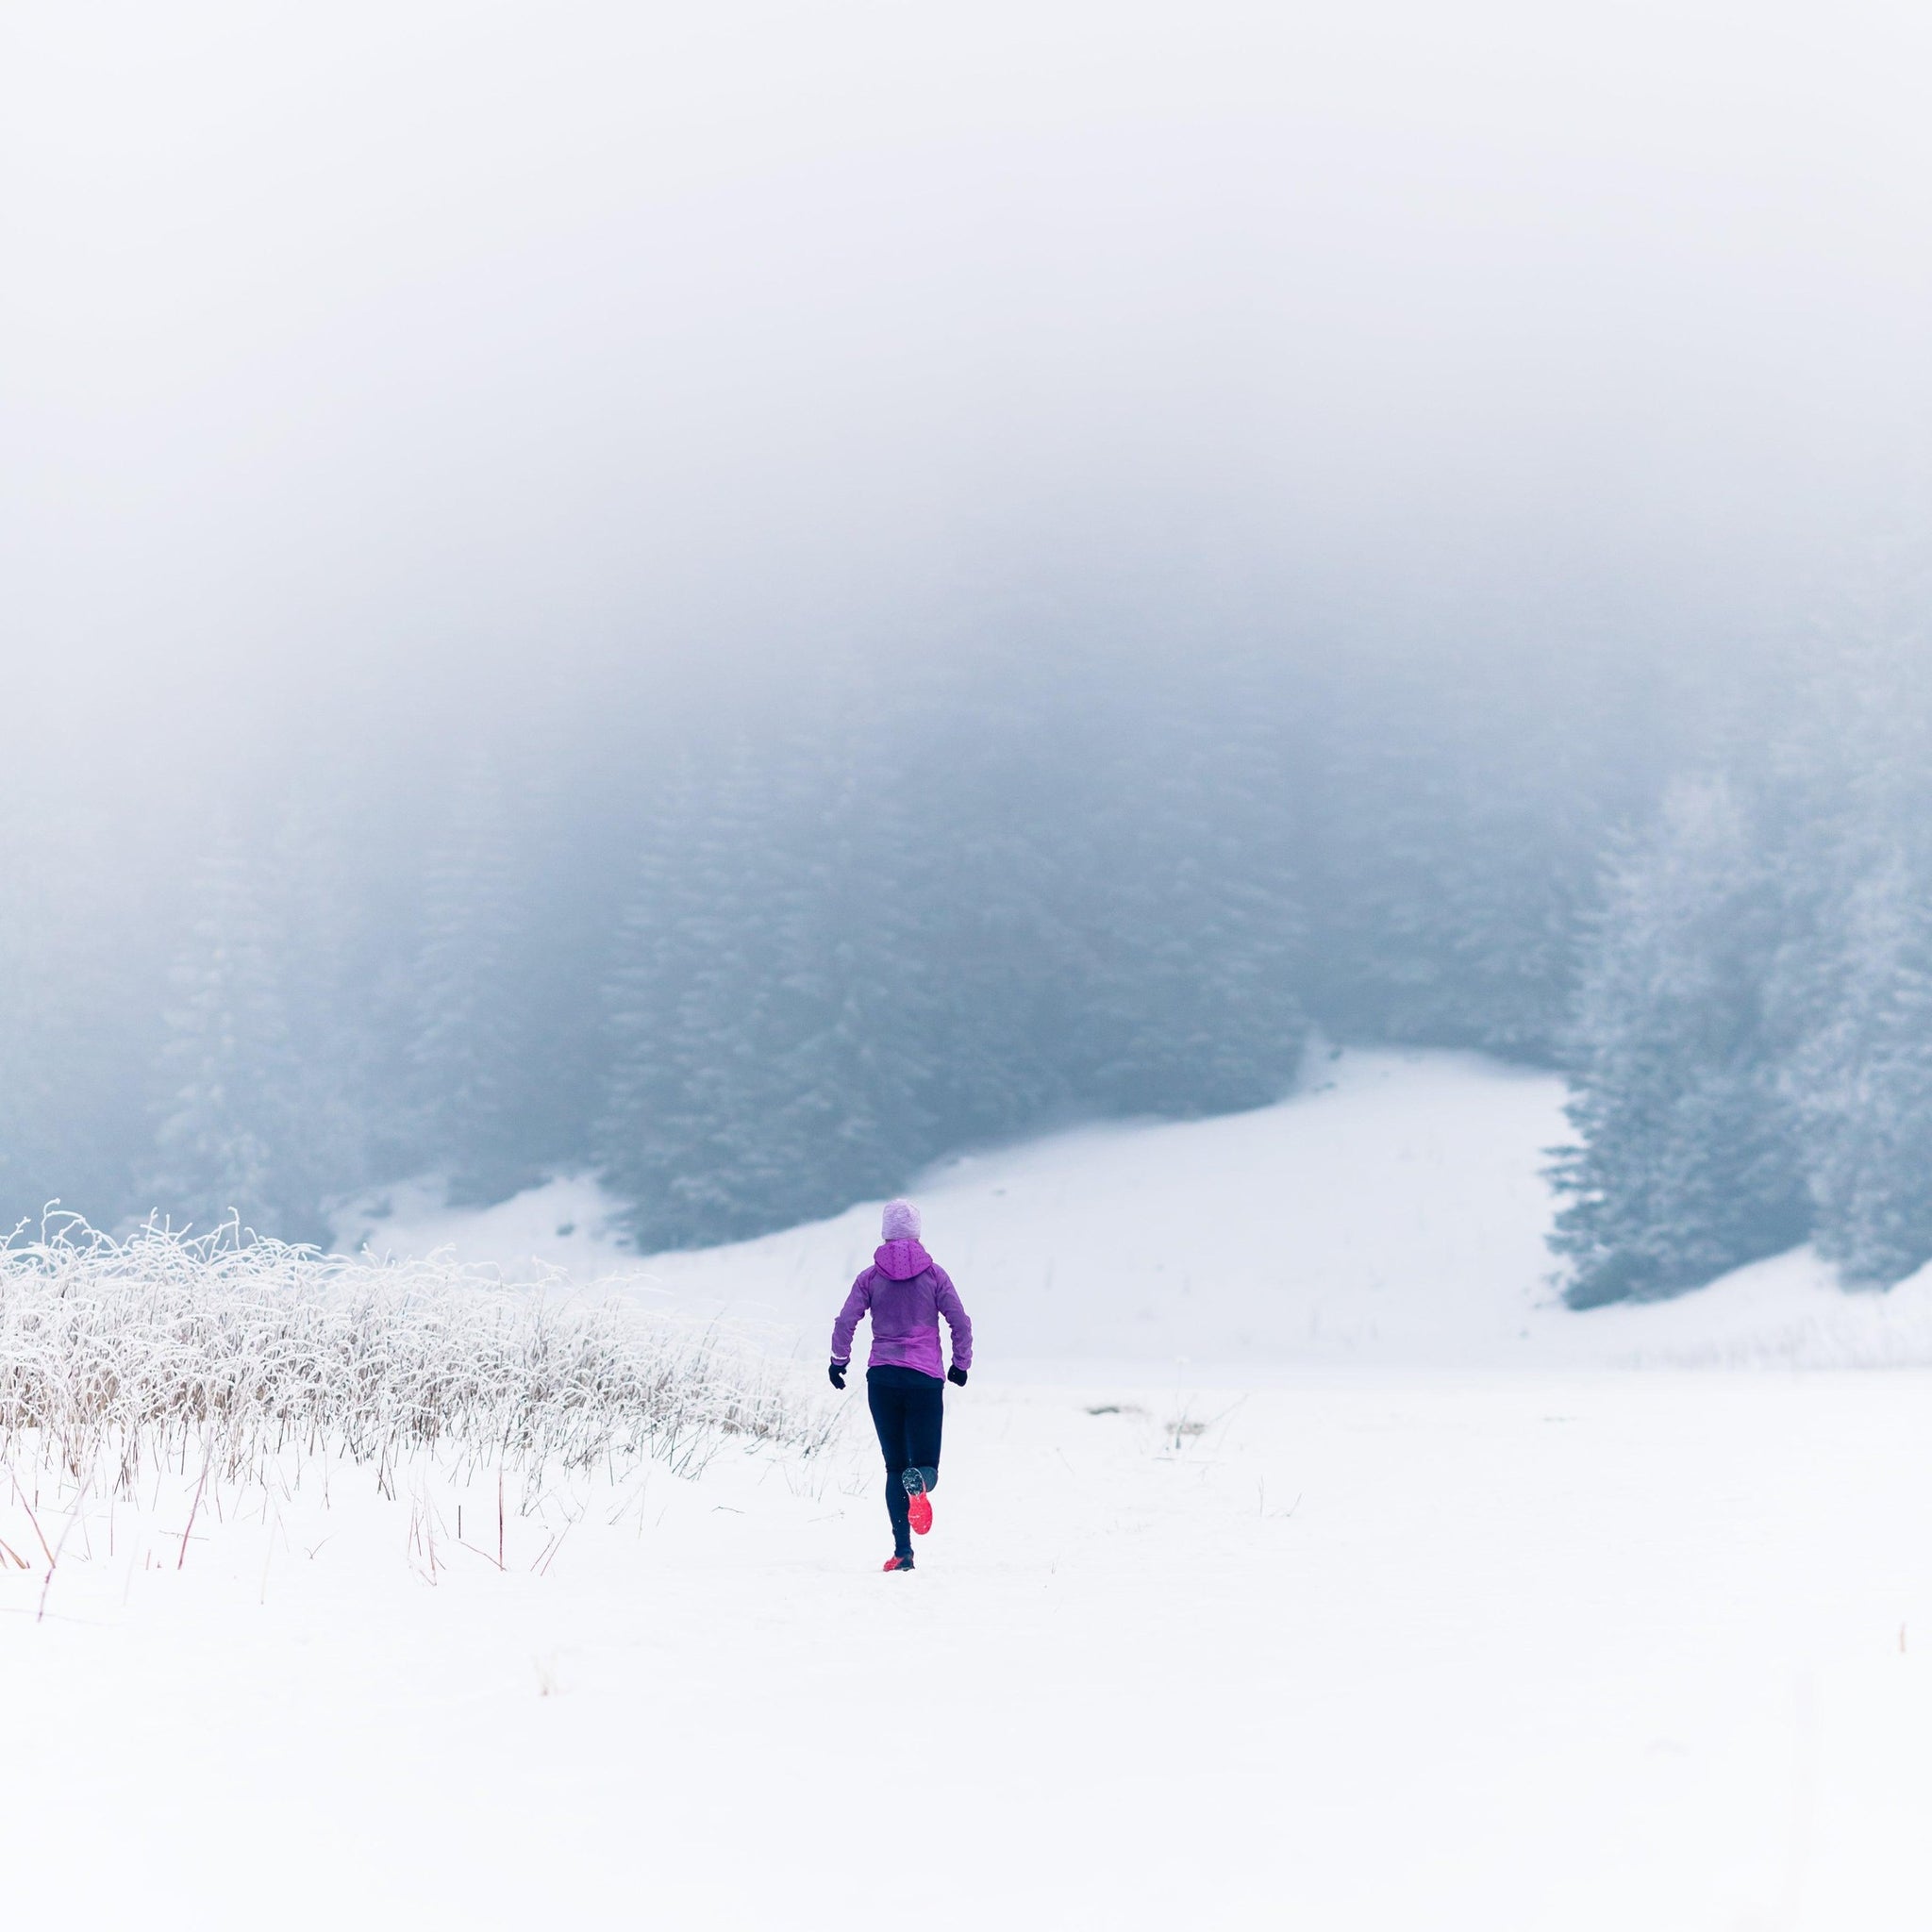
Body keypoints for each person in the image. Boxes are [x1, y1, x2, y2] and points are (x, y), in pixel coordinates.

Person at [829, 1198, 973, 1574]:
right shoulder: (935, 1276)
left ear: (884, 1233)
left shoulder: (870, 1277)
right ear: (918, 1233)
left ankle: (903, 1553)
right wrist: (960, 1364)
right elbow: (960, 1322)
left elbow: (846, 1320)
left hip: (883, 1378)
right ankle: (921, 1482)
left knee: (894, 1467)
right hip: (924, 1379)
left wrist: (838, 1361)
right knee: (927, 1465)